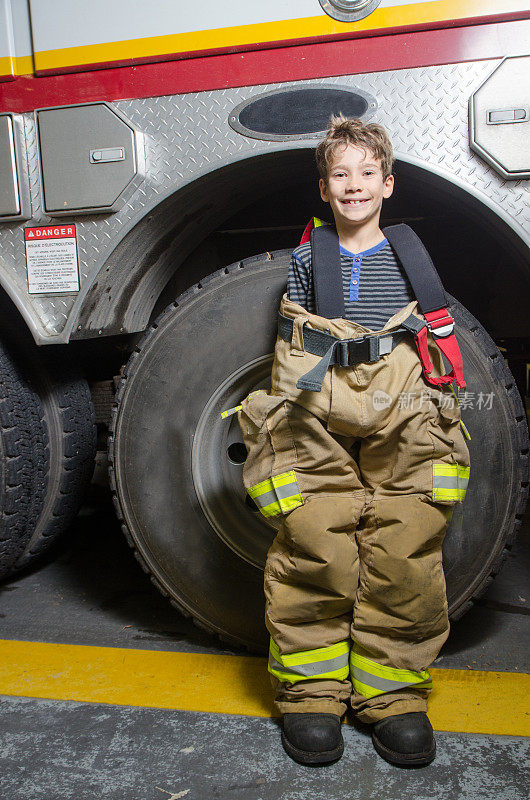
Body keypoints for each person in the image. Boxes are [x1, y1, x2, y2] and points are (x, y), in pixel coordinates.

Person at [237, 116, 470, 767]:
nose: (354, 184)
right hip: (320, 386)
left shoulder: (410, 254)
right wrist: (288, 412)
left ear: (388, 184)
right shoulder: (311, 257)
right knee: (316, 534)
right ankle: (311, 693)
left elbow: (435, 333)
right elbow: (295, 337)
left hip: (403, 392)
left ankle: (393, 693)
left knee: (407, 539)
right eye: (341, 174)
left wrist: (439, 408)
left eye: (368, 173)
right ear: (323, 188)